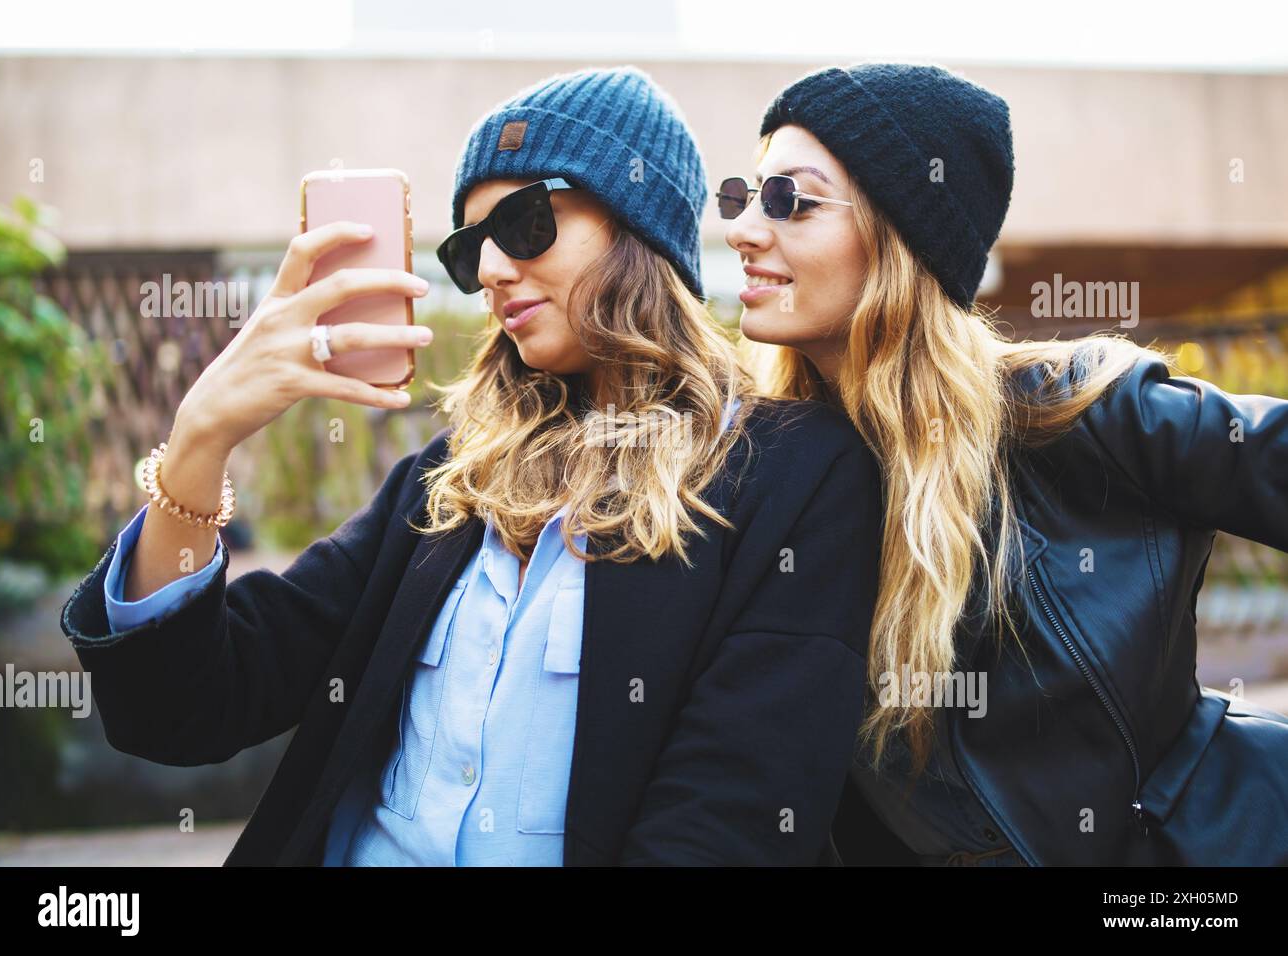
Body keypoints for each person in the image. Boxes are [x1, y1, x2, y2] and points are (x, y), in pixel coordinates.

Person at [61, 65, 884, 866]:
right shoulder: (450, 478)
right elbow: (181, 712)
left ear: (639, 229)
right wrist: (201, 439)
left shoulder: (793, 474)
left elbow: (728, 819)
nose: (489, 271)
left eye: (526, 224)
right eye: (470, 248)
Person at [721, 62, 1288, 865]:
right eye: (745, 196)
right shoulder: (771, 474)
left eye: (790, 201)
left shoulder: (1076, 408)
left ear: (900, 236)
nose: (744, 228)